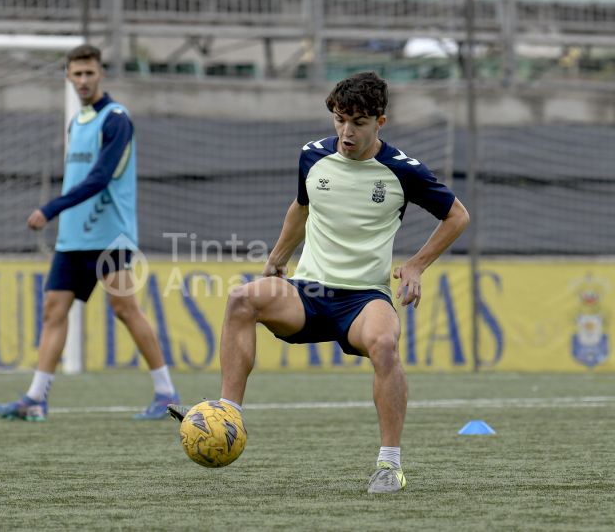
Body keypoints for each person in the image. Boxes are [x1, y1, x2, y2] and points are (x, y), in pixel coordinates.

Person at [169, 72, 469, 493]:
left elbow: (457, 216)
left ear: (380, 122)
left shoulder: (403, 171)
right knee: (241, 300)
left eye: (358, 122)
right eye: (340, 119)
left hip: (364, 298)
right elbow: (301, 207)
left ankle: (389, 465)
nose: (347, 131)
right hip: (307, 292)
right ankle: (228, 414)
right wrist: (277, 258)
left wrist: (417, 265)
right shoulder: (311, 156)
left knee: (385, 345)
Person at [0, 44, 178, 422]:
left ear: (100, 73)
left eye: (90, 73)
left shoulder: (116, 118)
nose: (84, 80)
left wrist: (51, 208)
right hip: (72, 238)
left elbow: (101, 178)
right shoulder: (77, 122)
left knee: (124, 308)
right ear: (68, 77)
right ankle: (35, 398)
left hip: (110, 236)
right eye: (77, 74)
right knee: (52, 311)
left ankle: (165, 392)